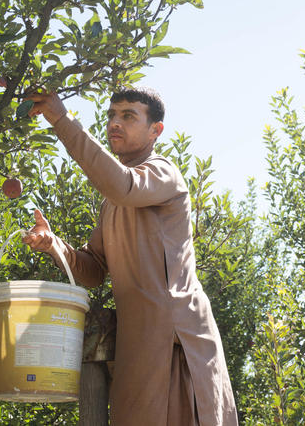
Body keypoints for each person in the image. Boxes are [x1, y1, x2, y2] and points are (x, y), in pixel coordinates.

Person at [23, 87, 238, 426]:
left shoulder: (163, 173)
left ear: (156, 131)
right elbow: (93, 270)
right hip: (135, 344)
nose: (115, 124)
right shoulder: (111, 204)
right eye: (111, 115)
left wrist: (60, 119)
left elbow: (122, 184)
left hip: (177, 338)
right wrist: (53, 244)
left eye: (128, 116)